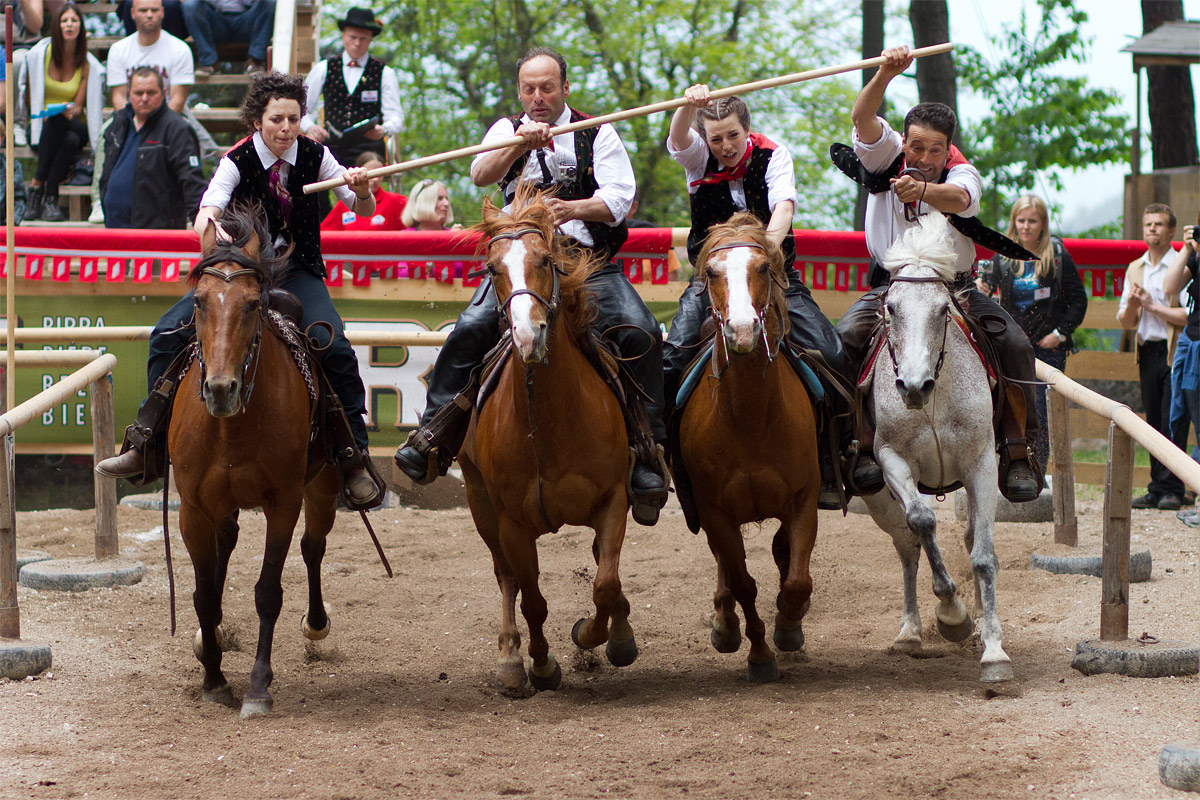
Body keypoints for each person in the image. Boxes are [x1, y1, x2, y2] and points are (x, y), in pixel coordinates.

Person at [392, 46, 670, 525]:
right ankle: (434, 435)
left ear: (565, 88)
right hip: (520, 261)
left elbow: (620, 199)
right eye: (529, 89)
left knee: (640, 329)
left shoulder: (598, 131)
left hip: (585, 260)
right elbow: (480, 174)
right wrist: (520, 145)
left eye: (547, 87)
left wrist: (571, 209)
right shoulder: (506, 129)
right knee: (471, 326)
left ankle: (647, 450)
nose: (538, 97)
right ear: (520, 92)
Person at [96, 71, 384, 509]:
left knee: (334, 344)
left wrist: (361, 191)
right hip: (242, 272)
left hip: (299, 271)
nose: (286, 129)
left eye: (293, 119)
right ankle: (147, 443)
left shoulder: (316, 154)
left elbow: (362, 210)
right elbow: (206, 212)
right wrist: (215, 231)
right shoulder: (236, 160)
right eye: (276, 120)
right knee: (167, 333)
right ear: (257, 121)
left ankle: (353, 457)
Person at [832, 45, 1042, 502]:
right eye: (917, 146)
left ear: (949, 149)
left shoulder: (962, 173)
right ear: (903, 141)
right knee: (841, 342)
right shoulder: (884, 154)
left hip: (955, 289)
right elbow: (862, 116)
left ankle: (1018, 450)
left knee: (1016, 345)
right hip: (891, 287)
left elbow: (961, 200)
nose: (924, 156)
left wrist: (924, 189)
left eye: (935, 149)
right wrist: (886, 73)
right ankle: (852, 448)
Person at [662, 84, 860, 508]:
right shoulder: (698, 157)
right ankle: (663, 459)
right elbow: (678, 137)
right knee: (671, 356)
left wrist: (763, 257)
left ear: (746, 129)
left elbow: (783, 208)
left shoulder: (774, 155)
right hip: (711, 279)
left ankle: (844, 453)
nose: (725, 146)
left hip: (773, 275)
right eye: (716, 138)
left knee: (832, 351)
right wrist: (685, 105)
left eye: (732, 135)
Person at [978, 195, 1088, 472]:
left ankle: (1037, 470)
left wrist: (1060, 334)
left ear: (1043, 224)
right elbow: (985, 298)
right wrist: (981, 288)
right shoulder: (1002, 256)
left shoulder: (1058, 256)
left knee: (1040, 411)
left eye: (1032, 221)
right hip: (1012, 346)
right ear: (1014, 222)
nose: (1026, 226)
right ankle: (1009, 467)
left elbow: (1078, 301)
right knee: (1007, 406)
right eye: (1021, 220)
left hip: (1048, 348)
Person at [1119, 204, 1189, 510]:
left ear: (1172, 231)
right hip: (1146, 350)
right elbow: (1125, 321)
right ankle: (1156, 486)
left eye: (1159, 224)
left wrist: (1151, 306)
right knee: (1153, 420)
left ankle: (1173, 487)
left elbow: (1188, 315)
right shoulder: (1136, 267)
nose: (1152, 229)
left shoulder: (1182, 264)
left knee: (1173, 419)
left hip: (1174, 350)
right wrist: (1135, 305)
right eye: (1148, 224)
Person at [22, 3, 103, 222]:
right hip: (43, 126)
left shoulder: (86, 63)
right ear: (57, 26)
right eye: (64, 20)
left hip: (74, 122)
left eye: (74, 21)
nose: (69, 25)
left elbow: (78, 107)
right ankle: (50, 198)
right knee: (68, 139)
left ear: (80, 27)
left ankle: (36, 185)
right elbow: (30, 99)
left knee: (61, 122)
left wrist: (68, 111)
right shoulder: (40, 56)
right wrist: (46, 115)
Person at [99, 67, 206, 229]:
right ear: (129, 94)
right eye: (138, 93)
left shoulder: (177, 129)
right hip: (114, 232)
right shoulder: (118, 124)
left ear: (163, 93)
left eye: (151, 93)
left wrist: (204, 227)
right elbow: (105, 176)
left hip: (157, 236)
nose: (144, 98)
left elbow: (192, 183)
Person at [301, 7, 402, 168]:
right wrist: (310, 127)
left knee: (371, 167)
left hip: (368, 147)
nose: (357, 43)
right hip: (331, 145)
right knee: (313, 163)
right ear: (343, 36)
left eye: (363, 38)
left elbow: (395, 116)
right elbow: (301, 107)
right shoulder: (324, 68)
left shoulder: (385, 73)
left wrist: (384, 129)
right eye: (352, 37)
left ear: (370, 39)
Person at [105, 0, 193, 114]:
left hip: (170, 119)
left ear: (162, 12)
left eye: (154, 10)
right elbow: (119, 99)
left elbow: (177, 101)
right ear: (132, 13)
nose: (149, 15)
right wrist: (134, 123)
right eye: (143, 10)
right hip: (129, 118)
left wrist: (155, 125)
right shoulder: (118, 50)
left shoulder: (180, 49)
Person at [1165, 218, 1199, 511]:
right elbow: (1170, 286)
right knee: (1183, 414)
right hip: (1191, 341)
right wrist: (1187, 249)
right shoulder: (1195, 255)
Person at [181, 0, 273, 77]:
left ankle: (255, 62)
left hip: (247, 21)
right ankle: (208, 63)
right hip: (216, 22)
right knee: (190, 5)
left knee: (271, 2)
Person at [320, 151, 406, 231]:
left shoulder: (395, 201)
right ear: (357, 173)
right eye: (370, 174)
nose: (375, 179)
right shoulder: (345, 203)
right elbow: (324, 233)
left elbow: (412, 227)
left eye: (379, 174)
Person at [396, 178, 464, 279]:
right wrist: (445, 244)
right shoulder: (404, 237)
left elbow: (476, 275)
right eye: (439, 198)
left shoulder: (454, 236)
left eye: (446, 198)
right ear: (423, 203)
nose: (446, 203)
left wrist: (465, 243)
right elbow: (398, 275)